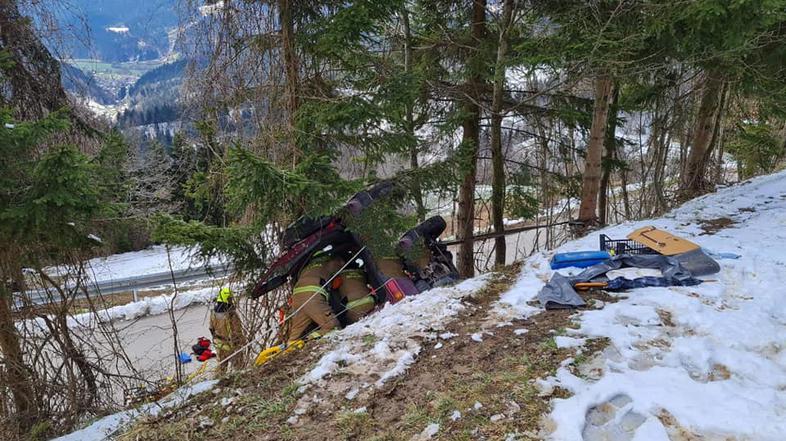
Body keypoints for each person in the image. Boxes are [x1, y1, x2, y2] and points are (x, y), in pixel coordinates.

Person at [285, 252, 345, 342]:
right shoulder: (330, 262)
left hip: (296, 298)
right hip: (313, 297)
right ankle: (307, 340)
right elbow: (341, 268)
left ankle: (289, 350)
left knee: (295, 335)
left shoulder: (306, 267)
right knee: (333, 327)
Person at [209, 286, 247, 373]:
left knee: (222, 368)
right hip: (231, 345)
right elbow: (237, 331)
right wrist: (243, 341)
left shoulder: (213, 313)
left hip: (219, 345)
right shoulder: (231, 315)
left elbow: (211, 328)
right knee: (240, 368)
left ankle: (220, 383)